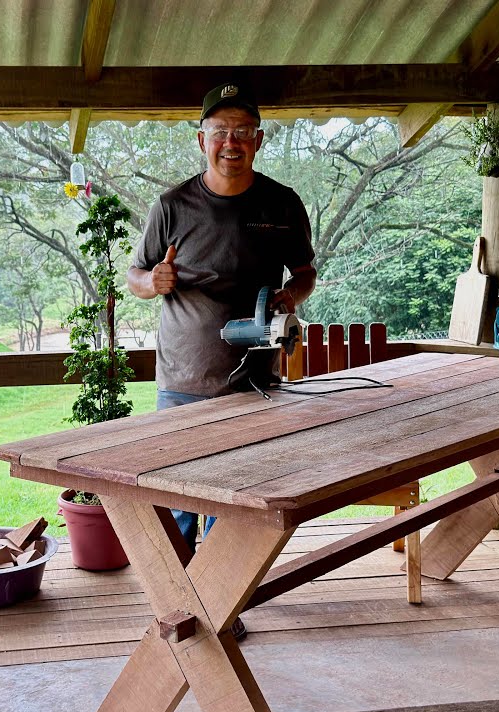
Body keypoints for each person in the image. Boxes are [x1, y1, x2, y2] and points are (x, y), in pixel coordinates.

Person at [127, 82, 317, 638]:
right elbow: (136, 274)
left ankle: (221, 609)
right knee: (178, 499)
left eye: (241, 132)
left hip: (256, 379)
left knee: (239, 504)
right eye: (219, 132)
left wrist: (291, 297)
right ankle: (179, 608)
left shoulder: (282, 203)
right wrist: (150, 281)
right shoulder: (171, 205)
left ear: (257, 140)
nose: (229, 142)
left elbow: (304, 271)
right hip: (184, 377)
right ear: (201, 140)